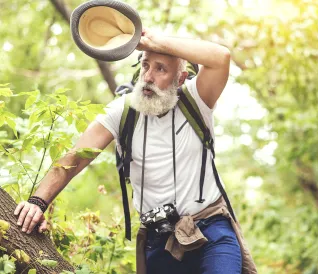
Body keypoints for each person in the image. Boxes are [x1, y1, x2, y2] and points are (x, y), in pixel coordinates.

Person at [14, 29, 257, 274]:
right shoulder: (122, 111)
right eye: (145, 66)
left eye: (161, 69)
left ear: (181, 79)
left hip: (211, 229)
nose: (148, 77)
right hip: (160, 239)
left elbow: (221, 57)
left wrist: (154, 41)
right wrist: (37, 203)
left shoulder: (197, 100)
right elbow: (75, 158)